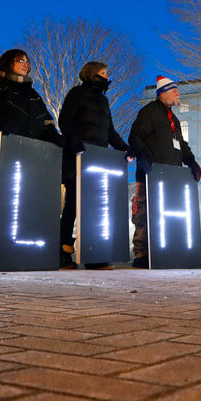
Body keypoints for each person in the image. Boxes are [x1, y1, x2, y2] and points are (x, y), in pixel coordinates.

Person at [57, 61, 131, 269]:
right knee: (72, 205)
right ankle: (62, 253)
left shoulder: (103, 101)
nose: (107, 76)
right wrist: (75, 144)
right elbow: (65, 121)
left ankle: (93, 254)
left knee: (93, 208)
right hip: (77, 158)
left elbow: (109, 131)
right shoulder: (76, 93)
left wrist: (124, 148)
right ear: (91, 74)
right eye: (103, 73)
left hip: (97, 161)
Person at [129, 77, 201, 268]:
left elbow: (181, 145)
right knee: (144, 212)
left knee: (166, 214)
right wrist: (143, 156)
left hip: (171, 176)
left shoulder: (173, 119)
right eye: (174, 90)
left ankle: (165, 250)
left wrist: (192, 161)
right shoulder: (150, 112)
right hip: (151, 173)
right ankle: (141, 253)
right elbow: (135, 136)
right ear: (163, 93)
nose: (178, 93)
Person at [0, 49, 61, 145]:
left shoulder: (34, 96)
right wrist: (0, 125)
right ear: (8, 62)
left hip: (31, 153)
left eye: (27, 62)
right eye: (21, 61)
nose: (26, 65)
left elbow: (46, 122)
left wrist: (54, 136)